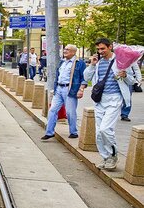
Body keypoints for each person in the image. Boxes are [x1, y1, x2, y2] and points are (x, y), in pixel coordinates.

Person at [84, 38, 135, 171]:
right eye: (99, 49)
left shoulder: (121, 62)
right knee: (98, 133)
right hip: (100, 100)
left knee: (105, 129)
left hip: (115, 99)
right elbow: (87, 77)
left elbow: (131, 81)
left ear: (110, 47)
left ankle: (113, 155)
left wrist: (124, 75)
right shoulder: (98, 62)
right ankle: (106, 157)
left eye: (103, 49)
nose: (101, 51)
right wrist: (92, 65)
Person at [41, 44, 86, 140]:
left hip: (70, 90)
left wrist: (81, 89)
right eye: (65, 49)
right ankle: (49, 132)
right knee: (52, 110)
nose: (65, 51)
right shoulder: (62, 62)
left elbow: (84, 78)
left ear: (73, 52)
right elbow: (58, 76)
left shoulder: (79, 63)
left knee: (70, 112)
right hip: (59, 89)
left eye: (68, 50)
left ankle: (73, 132)